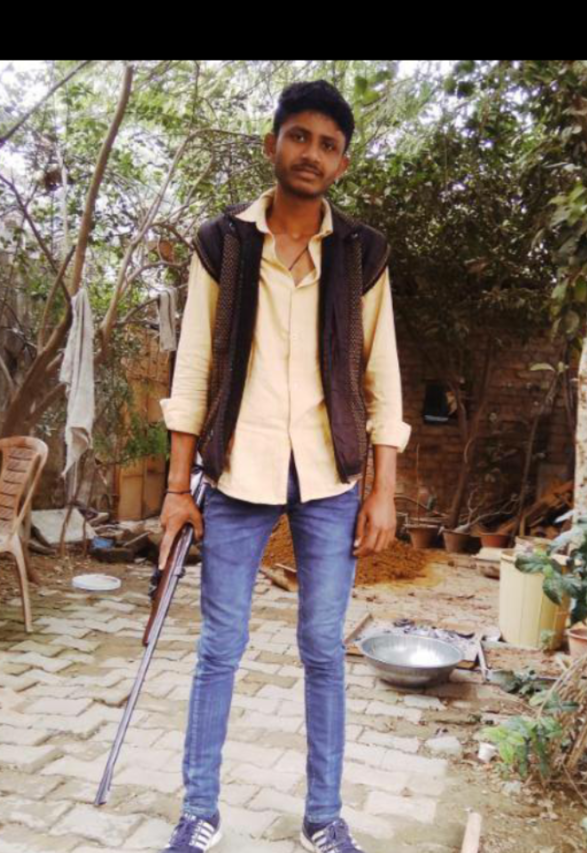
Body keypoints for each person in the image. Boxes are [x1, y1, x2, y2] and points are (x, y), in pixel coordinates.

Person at [157, 79, 411, 853]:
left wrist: (383, 489)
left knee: (323, 648)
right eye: (299, 136)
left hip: (331, 479)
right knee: (219, 647)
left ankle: (323, 815)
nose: (312, 154)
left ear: (342, 164)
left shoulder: (362, 253)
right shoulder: (222, 244)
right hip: (237, 473)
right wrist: (177, 489)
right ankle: (198, 811)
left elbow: (383, 374)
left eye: (329, 145)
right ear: (273, 144)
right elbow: (193, 368)